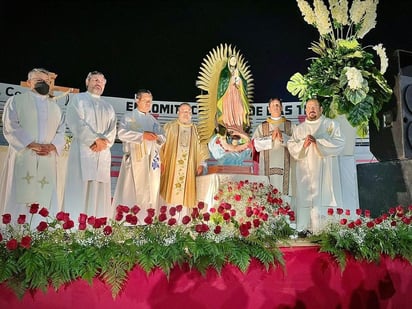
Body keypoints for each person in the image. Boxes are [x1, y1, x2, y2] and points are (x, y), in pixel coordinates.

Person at [0, 68, 66, 222]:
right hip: (24, 154)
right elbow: (10, 126)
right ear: (29, 83)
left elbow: (61, 131)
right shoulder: (16, 101)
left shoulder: (56, 108)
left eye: (46, 81)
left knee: (45, 196)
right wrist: (30, 144)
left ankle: (42, 229)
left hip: (47, 157)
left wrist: (52, 146)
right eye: (38, 80)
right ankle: (15, 233)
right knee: (19, 193)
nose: (43, 83)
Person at [63, 71, 117, 222]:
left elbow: (113, 129)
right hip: (83, 149)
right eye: (94, 80)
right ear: (87, 82)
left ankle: (98, 227)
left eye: (101, 81)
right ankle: (74, 226)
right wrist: (94, 140)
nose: (98, 83)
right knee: (80, 188)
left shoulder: (108, 107)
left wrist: (104, 142)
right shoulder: (78, 100)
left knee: (99, 190)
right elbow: (75, 121)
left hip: (102, 153)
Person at [287, 98, 345, 235]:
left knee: (325, 197)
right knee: (305, 199)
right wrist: (303, 144)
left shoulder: (331, 125)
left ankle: (326, 232)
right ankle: (303, 230)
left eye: (314, 106)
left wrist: (318, 142)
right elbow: (291, 145)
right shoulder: (299, 129)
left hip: (325, 173)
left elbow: (340, 142)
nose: (311, 109)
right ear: (305, 110)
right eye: (309, 107)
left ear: (321, 109)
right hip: (305, 174)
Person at [112, 89, 166, 222]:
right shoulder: (129, 117)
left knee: (150, 191)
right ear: (137, 100)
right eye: (145, 101)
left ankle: (147, 220)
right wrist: (142, 136)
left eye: (150, 101)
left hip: (150, 162)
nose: (148, 104)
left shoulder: (153, 120)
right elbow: (121, 134)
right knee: (130, 191)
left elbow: (163, 137)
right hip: (134, 160)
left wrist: (156, 137)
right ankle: (128, 221)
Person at [159, 103, 209, 209]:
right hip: (170, 168)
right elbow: (160, 146)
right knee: (169, 196)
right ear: (178, 112)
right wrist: (161, 162)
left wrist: (201, 164)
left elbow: (202, 148)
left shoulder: (197, 130)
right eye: (184, 111)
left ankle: (184, 221)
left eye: (189, 111)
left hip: (190, 171)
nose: (186, 114)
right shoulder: (169, 127)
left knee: (188, 196)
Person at [252, 98, 294, 201]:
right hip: (266, 167)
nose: (275, 107)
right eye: (273, 105)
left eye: (278, 105)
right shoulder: (262, 127)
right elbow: (255, 144)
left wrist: (283, 137)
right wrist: (270, 139)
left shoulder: (291, 126)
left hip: (286, 168)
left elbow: (297, 144)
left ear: (282, 108)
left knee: (285, 199)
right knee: (267, 197)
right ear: (268, 108)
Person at [216, 55, 250, 137]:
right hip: (227, 95)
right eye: (232, 60)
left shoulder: (238, 71)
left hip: (237, 94)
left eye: (235, 60)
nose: (233, 61)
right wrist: (231, 80)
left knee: (240, 109)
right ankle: (229, 127)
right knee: (228, 110)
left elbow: (244, 83)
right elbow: (222, 83)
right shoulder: (224, 72)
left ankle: (238, 126)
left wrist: (240, 81)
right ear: (229, 61)